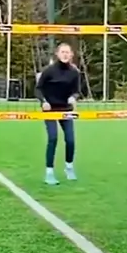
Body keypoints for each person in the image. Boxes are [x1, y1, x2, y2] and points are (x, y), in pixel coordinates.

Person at [35, 42, 81, 185]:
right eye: (63, 52)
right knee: (53, 138)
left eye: (68, 52)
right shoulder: (49, 70)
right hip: (49, 109)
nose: (65, 54)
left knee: (70, 140)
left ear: (71, 55)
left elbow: (77, 91)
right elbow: (38, 88)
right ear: (57, 54)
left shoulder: (74, 72)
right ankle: (49, 172)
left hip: (65, 110)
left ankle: (69, 167)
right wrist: (43, 101)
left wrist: (73, 97)